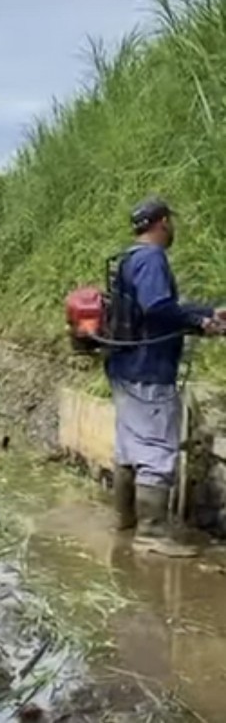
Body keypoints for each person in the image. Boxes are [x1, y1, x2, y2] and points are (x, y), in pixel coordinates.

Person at [106, 196, 225, 557]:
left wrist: (205, 314)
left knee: (129, 447)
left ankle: (125, 519)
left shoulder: (129, 258)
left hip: (125, 367)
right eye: (169, 221)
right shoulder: (152, 258)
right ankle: (152, 533)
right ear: (161, 222)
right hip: (149, 371)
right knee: (156, 449)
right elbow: (158, 310)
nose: (172, 227)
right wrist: (199, 322)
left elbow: (156, 310)